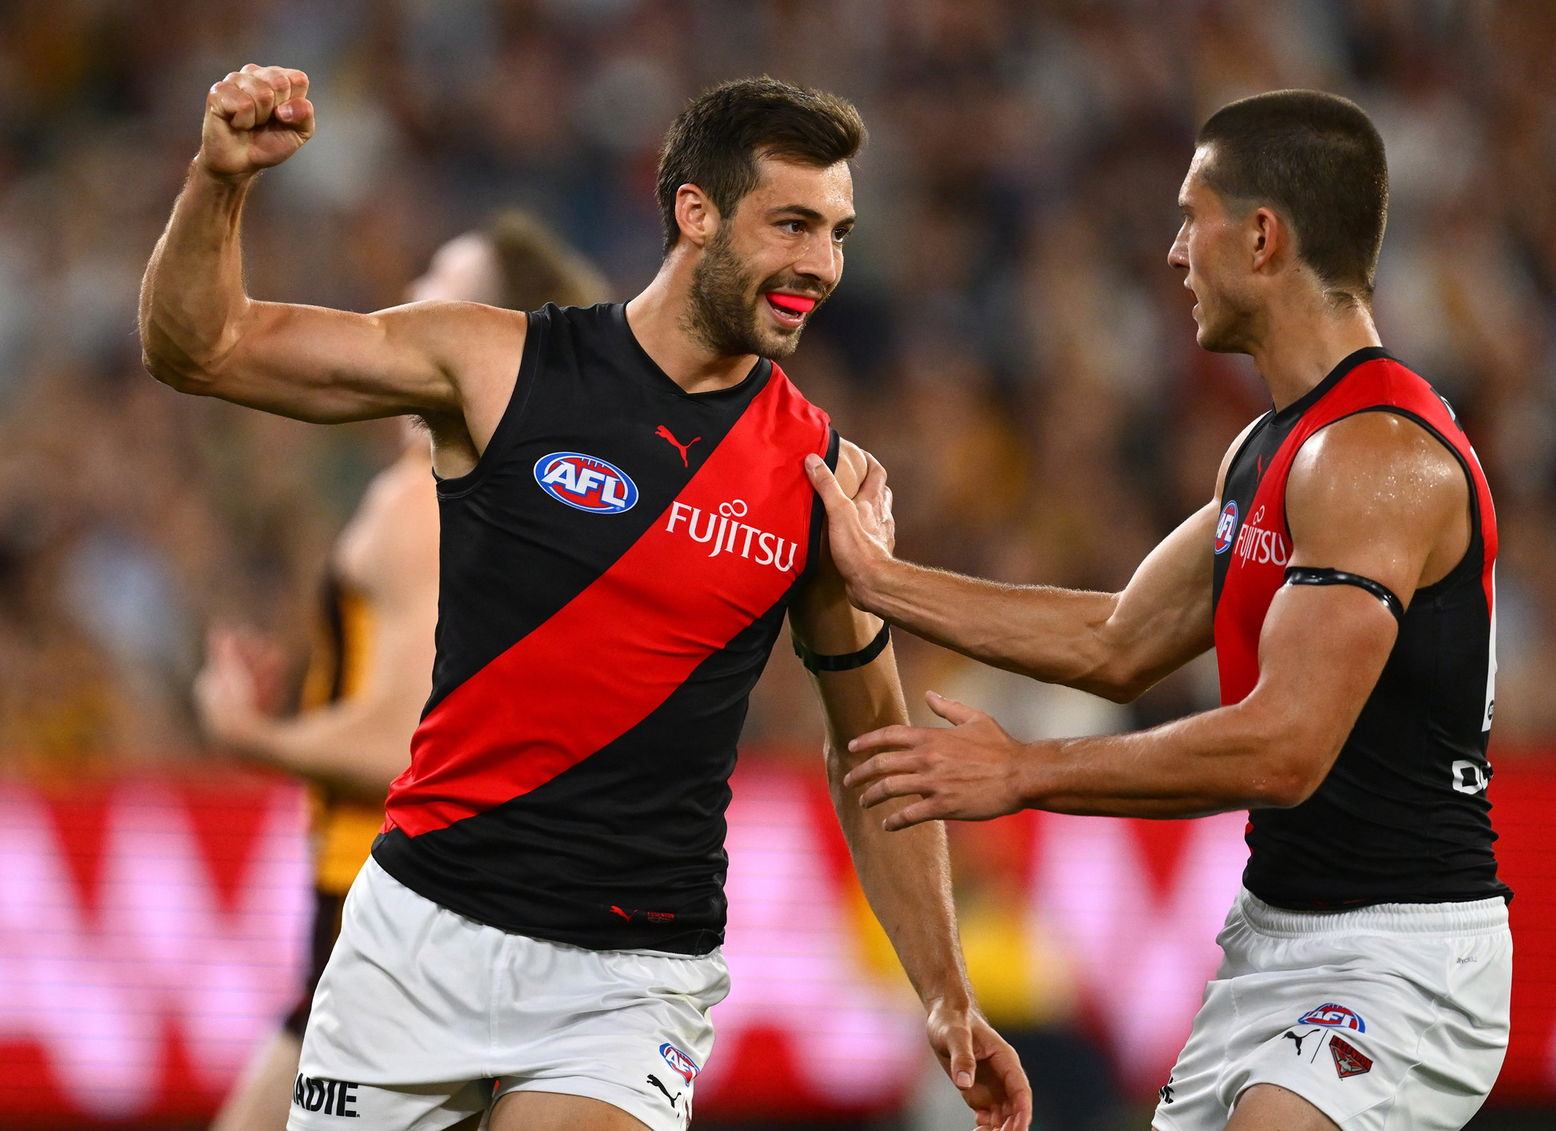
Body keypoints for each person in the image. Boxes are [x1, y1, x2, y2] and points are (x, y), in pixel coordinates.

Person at [140, 65, 1030, 1131]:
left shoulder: (820, 479)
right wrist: (218, 179)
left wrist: (943, 990)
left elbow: (874, 751)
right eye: (792, 225)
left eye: (837, 231)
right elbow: (204, 348)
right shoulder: (497, 367)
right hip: (420, 935)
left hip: (629, 973)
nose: (821, 265)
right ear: (694, 213)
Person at [807, 90, 1511, 1131]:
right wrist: (879, 580)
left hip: (1398, 953)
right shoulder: (1270, 447)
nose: (1176, 251)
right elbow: (1117, 640)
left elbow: (1282, 749)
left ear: (1262, 237)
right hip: (1273, 936)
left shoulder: (1375, 456)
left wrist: (1022, 772)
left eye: (1193, 217)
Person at [196, 212, 608, 1131]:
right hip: (480, 895)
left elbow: (400, 745)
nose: (411, 293)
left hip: (381, 898)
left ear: (487, 324)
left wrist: (247, 733)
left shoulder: (419, 502)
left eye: (439, 276)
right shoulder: (538, 504)